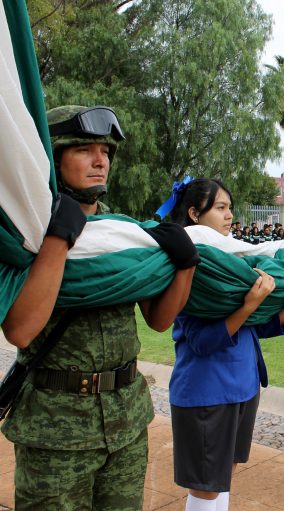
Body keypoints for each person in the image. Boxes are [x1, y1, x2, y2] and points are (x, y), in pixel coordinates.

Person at [2, 105, 199, 510]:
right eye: (84, 150)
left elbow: (159, 321)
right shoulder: (26, 237)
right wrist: (60, 235)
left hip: (126, 420)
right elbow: (20, 330)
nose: (100, 161)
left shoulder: (125, 236)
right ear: (53, 158)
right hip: (56, 431)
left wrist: (185, 266)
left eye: (106, 152)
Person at [164, 178, 284, 511]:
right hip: (207, 390)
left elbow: (253, 330)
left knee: (224, 474)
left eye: (229, 207)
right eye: (220, 208)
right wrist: (249, 304)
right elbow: (202, 342)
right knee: (205, 486)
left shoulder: (237, 263)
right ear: (193, 213)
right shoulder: (191, 268)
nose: (229, 215)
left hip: (242, 386)